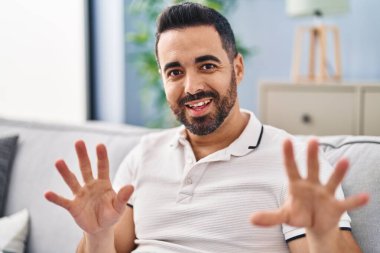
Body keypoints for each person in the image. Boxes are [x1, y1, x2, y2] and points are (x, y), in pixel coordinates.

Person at [45, 2, 369, 253]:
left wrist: (324, 235)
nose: (192, 86)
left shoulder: (294, 163)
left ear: (237, 69)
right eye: (175, 72)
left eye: (207, 65)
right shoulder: (144, 154)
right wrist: (96, 234)